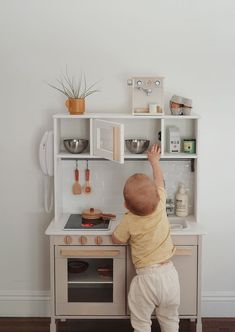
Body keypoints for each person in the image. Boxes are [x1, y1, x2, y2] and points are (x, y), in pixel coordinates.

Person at [112, 144, 180, 332]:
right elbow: (159, 181)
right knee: (170, 320)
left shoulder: (129, 220)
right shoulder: (160, 203)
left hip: (146, 280)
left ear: (126, 205)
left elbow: (117, 239)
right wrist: (154, 161)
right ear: (158, 197)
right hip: (170, 276)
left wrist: (115, 233)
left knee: (142, 323)